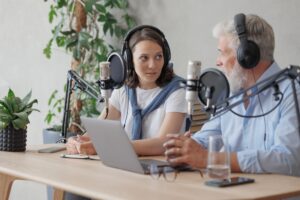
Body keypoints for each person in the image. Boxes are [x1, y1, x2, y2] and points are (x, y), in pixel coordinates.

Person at [164, 13, 300, 176]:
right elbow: (206, 138)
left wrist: (209, 159)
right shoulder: (230, 92)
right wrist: (184, 147)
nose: (217, 61)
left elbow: (288, 160)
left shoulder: (293, 92)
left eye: (222, 52)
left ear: (247, 56)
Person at [67, 25, 187, 156]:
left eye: (158, 56)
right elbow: (98, 133)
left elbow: (163, 144)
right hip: (127, 164)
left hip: (162, 168)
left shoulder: (177, 91)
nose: (153, 65)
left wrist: (111, 147)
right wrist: (78, 141)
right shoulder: (124, 90)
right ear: (129, 61)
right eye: (144, 58)